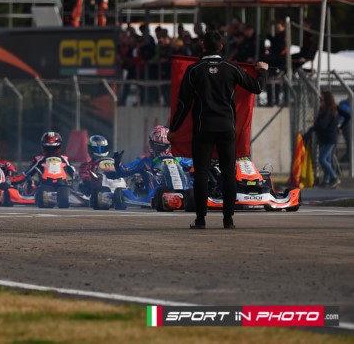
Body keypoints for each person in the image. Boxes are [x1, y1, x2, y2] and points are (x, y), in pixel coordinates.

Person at [168, 29, 268, 230]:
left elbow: (183, 104)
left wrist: (173, 129)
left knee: (201, 173)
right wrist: (263, 70)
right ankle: (228, 220)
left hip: (203, 127)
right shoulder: (231, 68)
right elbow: (257, 88)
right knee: (229, 172)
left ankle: (200, 219)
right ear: (221, 46)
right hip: (227, 127)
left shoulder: (194, 70)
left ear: (203, 45)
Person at [111, 126, 190, 194]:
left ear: (169, 146)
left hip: (183, 193)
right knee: (120, 194)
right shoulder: (144, 161)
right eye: (156, 146)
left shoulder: (178, 159)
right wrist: (116, 165)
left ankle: (184, 193)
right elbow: (119, 173)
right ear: (151, 144)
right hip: (154, 195)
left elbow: (193, 165)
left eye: (162, 147)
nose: (158, 149)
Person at [310, 90, 341, 188]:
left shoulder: (328, 111)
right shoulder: (324, 111)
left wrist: (316, 125)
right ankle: (326, 181)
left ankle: (334, 177)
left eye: (321, 99)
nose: (320, 102)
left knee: (322, 158)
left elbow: (323, 125)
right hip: (324, 138)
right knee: (327, 159)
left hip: (329, 139)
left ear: (327, 100)